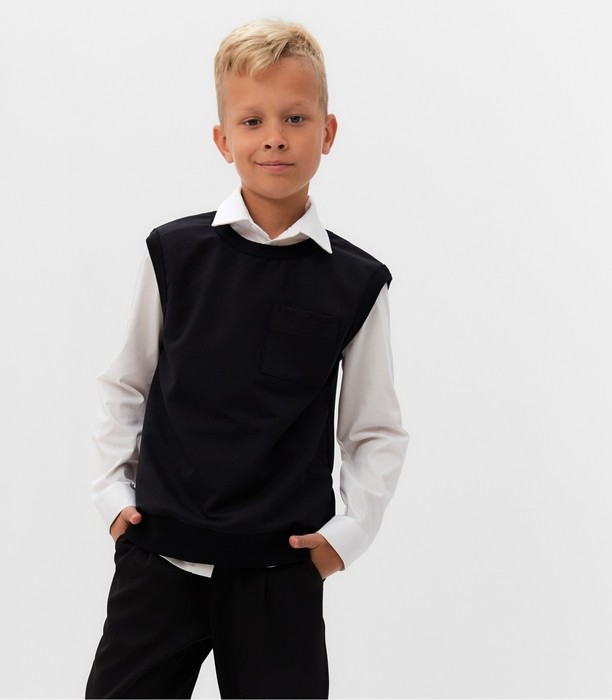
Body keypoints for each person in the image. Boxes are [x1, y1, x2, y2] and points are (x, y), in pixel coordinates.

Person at [86, 18, 408, 700]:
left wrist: (346, 537)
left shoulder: (355, 282)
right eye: (252, 120)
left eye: (295, 118)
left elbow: (374, 429)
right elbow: (126, 384)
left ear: (327, 131)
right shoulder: (173, 254)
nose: (274, 137)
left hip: (278, 573)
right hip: (160, 557)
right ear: (222, 138)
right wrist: (115, 499)